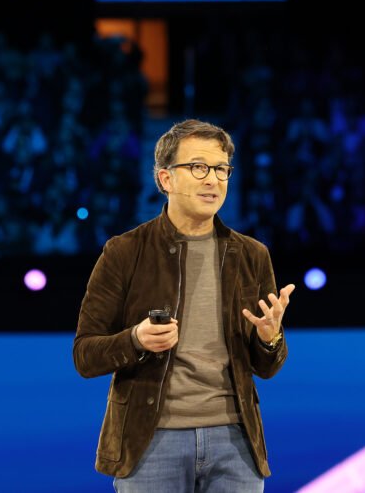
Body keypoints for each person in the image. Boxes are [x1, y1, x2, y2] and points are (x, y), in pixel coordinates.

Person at [73, 118, 295, 492]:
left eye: (222, 169)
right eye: (198, 167)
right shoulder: (124, 252)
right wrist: (136, 340)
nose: (213, 180)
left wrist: (270, 339)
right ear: (165, 179)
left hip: (236, 443)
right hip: (150, 441)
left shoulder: (252, 255)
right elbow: (85, 355)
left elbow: (266, 367)